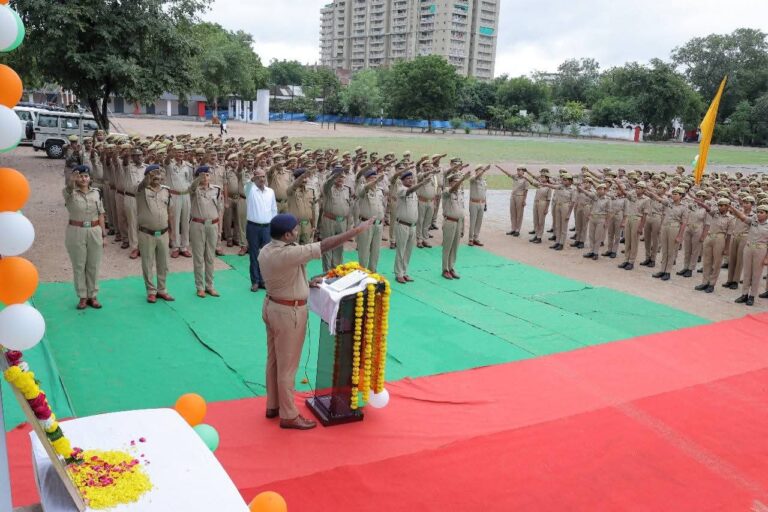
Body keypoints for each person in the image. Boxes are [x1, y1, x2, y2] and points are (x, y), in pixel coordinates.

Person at [258, 214, 375, 430]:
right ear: (287, 235)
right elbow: (324, 245)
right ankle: (289, 415)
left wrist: (306, 284)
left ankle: (273, 405)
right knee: (288, 368)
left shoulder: (266, 250)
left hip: (272, 305)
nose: (298, 232)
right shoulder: (289, 252)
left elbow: (285, 276)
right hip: (288, 313)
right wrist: (355, 232)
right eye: (294, 230)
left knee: (274, 361)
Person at [63, 165, 105, 310]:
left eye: (85, 176)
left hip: (94, 230)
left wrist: (103, 234)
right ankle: (82, 296)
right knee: (79, 265)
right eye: (80, 176)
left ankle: (93, 296)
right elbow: (68, 188)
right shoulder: (70, 193)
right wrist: (71, 180)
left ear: (90, 178)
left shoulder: (97, 193)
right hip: (76, 231)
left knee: (93, 264)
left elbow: (101, 213)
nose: (83, 178)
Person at [136, 164, 175, 303]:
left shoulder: (166, 191)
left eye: (159, 174)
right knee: (147, 262)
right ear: (147, 176)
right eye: (153, 174)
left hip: (163, 233)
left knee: (163, 263)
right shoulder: (141, 191)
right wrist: (148, 177)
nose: (157, 176)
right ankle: (151, 291)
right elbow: (142, 185)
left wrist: (172, 231)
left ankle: (162, 289)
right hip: (146, 233)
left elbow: (170, 212)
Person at [394, 169, 438, 283]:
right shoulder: (401, 189)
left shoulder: (414, 191)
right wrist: (422, 183)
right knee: (401, 250)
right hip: (402, 224)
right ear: (403, 180)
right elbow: (409, 191)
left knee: (408, 250)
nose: (410, 180)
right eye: (408, 178)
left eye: (411, 178)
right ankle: (399, 273)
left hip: (413, 226)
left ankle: (404, 272)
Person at [189, 166, 223, 298]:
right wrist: (198, 179)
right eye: (203, 175)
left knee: (210, 257)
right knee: (198, 257)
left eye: (207, 175)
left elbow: (219, 209)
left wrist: (219, 227)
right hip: (198, 224)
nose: (206, 177)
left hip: (212, 225)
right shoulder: (194, 189)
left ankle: (210, 286)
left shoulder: (217, 189)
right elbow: (191, 188)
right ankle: (199, 287)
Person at [645, 186, 689, 281]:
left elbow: (684, 223)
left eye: (676, 194)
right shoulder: (668, 202)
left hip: (674, 228)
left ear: (681, 196)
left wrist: (680, 236)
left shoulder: (684, 207)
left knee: (671, 251)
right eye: (673, 193)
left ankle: (668, 272)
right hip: (665, 227)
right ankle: (662, 270)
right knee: (664, 250)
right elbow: (658, 198)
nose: (673, 195)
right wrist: (647, 189)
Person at [245, 168, 278, 292]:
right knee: (254, 255)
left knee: (266, 255)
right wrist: (251, 180)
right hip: (253, 226)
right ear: (254, 178)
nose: (262, 179)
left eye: (264, 177)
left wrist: (275, 227)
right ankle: (255, 281)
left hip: (267, 227)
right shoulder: (250, 190)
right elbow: (248, 185)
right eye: (259, 177)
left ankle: (264, 280)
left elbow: (274, 209)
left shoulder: (270, 191)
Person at [692, 198, 733, 293]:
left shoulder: (730, 218)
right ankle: (705, 282)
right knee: (707, 261)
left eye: (722, 205)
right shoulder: (715, 213)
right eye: (719, 205)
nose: (720, 207)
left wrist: (726, 248)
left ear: (727, 206)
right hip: (710, 237)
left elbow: (729, 235)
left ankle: (712, 284)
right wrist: (701, 203)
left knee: (717, 263)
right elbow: (708, 209)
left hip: (720, 238)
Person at [730, 203, 768, 306]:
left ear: (767, 214)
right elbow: (742, 217)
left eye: (762, 212)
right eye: (758, 212)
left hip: (761, 250)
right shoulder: (753, 220)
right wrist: (732, 208)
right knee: (747, 273)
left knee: (756, 274)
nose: (759, 214)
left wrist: (766, 258)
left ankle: (752, 296)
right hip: (749, 248)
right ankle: (744, 294)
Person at [319, 167, 351, 272]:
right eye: (338, 176)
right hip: (329, 220)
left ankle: (336, 270)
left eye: (342, 176)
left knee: (339, 246)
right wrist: (333, 177)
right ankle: (327, 271)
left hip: (342, 221)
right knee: (328, 246)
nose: (341, 178)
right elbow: (327, 184)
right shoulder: (328, 188)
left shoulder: (347, 189)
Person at [165, 145, 193, 259]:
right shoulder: (169, 164)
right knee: (174, 221)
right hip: (174, 195)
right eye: (178, 152)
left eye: (182, 152)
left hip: (185, 195)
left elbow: (190, 180)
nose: (180, 154)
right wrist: (169, 154)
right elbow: (166, 161)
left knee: (185, 221)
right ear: (174, 153)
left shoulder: (188, 166)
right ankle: (176, 247)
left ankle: (184, 246)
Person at [442, 171, 471, 279]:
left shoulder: (459, 193)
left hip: (458, 222)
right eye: (456, 181)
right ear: (450, 182)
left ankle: (451, 267)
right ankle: (445, 269)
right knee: (447, 247)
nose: (458, 184)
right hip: (449, 221)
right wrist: (463, 179)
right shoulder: (446, 191)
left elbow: (461, 210)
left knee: (455, 247)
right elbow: (451, 190)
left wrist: (463, 225)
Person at [356, 168, 385, 271]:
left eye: (375, 177)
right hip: (366, 223)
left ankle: (372, 272)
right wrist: (376, 182)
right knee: (364, 250)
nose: (374, 180)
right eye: (371, 178)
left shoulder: (380, 190)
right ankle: (362, 273)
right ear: (367, 179)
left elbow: (382, 205)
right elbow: (363, 190)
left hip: (378, 224)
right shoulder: (362, 188)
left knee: (376, 250)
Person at [468, 165, 489, 246]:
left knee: (479, 222)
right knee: (473, 221)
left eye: (482, 170)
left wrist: (485, 204)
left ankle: (476, 238)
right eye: (480, 170)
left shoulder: (484, 181)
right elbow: (475, 177)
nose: (481, 172)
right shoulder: (473, 179)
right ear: (476, 171)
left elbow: (484, 193)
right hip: (474, 203)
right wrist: (484, 170)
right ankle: (470, 239)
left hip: (482, 203)